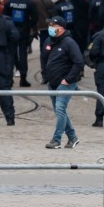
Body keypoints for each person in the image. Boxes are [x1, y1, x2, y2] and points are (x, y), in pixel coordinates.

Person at [41, 16, 84, 149]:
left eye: (53, 26)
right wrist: (45, 74)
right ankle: (72, 137)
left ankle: (56, 139)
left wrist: (68, 79)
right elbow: (44, 58)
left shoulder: (69, 43)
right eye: (50, 25)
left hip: (65, 83)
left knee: (60, 109)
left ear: (61, 28)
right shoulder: (48, 40)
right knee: (59, 111)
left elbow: (79, 62)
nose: (50, 28)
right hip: (52, 82)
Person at [4, 0, 35, 87]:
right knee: (22, 54)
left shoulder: (9, 1)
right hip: (23, 31)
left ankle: (9, 78)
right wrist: (28, 25)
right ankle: (23, 78)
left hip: (11, 31)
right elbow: (35, 18)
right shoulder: (29, 2)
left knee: (10, 54)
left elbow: (4, 16)